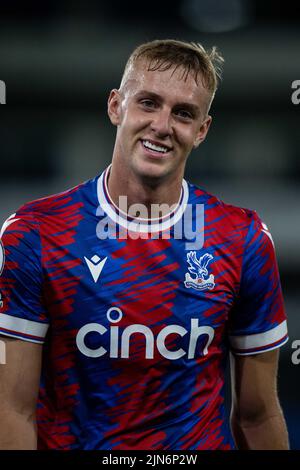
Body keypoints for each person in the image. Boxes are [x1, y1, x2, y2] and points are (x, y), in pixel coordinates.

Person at [0, 39, 289, 450]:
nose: (162, 125)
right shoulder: (35, 234)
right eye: (148, 103)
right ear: (116, 106)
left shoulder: (242, 239)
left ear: (202, 130)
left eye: (183, 114)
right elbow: (11, 409)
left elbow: (258, 416)